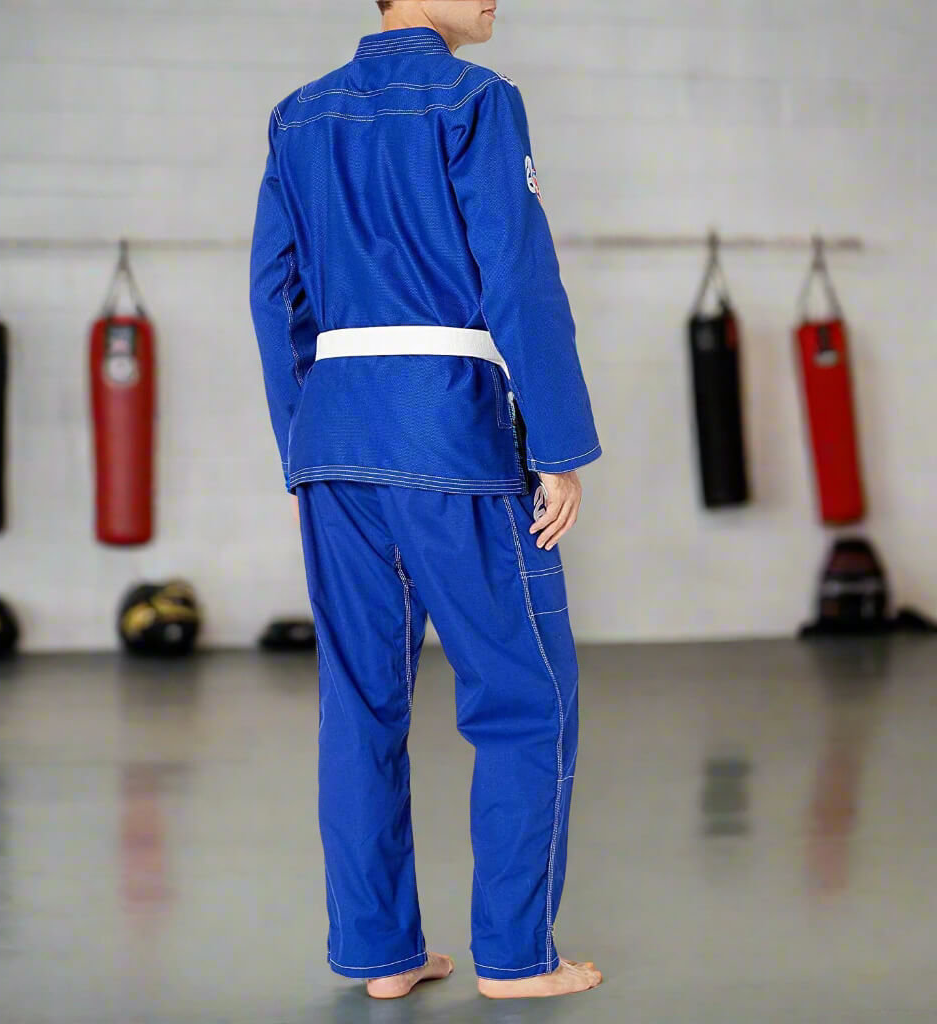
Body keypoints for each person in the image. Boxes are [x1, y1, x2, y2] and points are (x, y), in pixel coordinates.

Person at [250, 0, 603, 1001]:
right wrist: (561, 444)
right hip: (451, 435)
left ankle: (381, 954)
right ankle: (515, 957)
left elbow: (274, 291)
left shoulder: (298, 115)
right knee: (524, 698)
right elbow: (516, 274)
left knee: (358, 701)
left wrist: (297, 450)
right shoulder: (475, 99)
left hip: (334, 441)